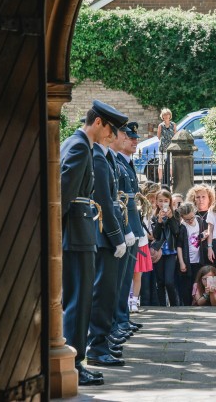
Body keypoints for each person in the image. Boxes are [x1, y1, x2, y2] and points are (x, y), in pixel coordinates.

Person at [60, 100, 120, 385]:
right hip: (77, 235)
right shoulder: (80, 146)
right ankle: (72, 364)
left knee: (78, 300)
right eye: (110, 129)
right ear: (98, 123)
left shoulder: (76, 144)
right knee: (78, 302)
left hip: (78, 232)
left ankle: (73, 362)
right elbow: (62, 193)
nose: (112, 135)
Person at [86, 106, 130, 369]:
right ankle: (97, 346)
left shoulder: (104, 157)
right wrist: (117, 237)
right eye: (112, 130)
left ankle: (101, 342)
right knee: (102, 293)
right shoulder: (98, 158)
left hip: (106, 233)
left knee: (108, 292)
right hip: (103, 235)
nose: (115, 136)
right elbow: (103, 200)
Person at [109, 121, 145, 342]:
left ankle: (121, 318)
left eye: (134, 138)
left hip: (131, 224)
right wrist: (128, 229)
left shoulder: (126, 163)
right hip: (124, 225)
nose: (134, 141)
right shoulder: (117, 163)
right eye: (129, 137)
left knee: (124, 279)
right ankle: (118, 320)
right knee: (120, 279)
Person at [151, 189, 181, 306]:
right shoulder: (154, 215)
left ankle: (174, 305)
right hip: (159, 252)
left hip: (171, 252)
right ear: (157, 202)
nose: (163, 203)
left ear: (170, 201)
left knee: (169, 281)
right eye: (160, 200)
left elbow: (176, 231)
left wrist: (171, 218)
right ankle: (162, 306)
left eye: (166, 200)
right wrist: (158, 221)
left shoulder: (175, 214)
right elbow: (156, 235)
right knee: (160, 281)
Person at [175, 202, 205, 305]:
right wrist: (182, 262)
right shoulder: (183, 226)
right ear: (182, 217)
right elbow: (179, 246)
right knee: (187, 285)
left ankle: (197, 302)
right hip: (188, 261)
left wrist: (204, 235)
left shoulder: (200, 221)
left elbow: (205, 233)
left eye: (192, 217)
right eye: (187, 219)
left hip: (199, 259)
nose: (190, 220)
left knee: (197, 283)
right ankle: (187, 305)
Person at [139, 181, 162, 307]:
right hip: (144, 245)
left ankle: (155, 303)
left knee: (155, 279)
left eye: (155, 196)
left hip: (156, 245)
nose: (153, 199)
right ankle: (145, 303)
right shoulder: (143, 210)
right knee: (145, 279)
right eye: (151, 196)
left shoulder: (158, 210)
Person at [185, 183, 214, 264]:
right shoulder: (190, 216)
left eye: (203, 197)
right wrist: (201, 236)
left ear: (209, 198)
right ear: (193, 199)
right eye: (198, 197)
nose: (201, 200)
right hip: (195, 256)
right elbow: (189, 240)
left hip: (212, 251)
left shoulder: (214, 213)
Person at [156, 108, 175, 185]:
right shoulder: (160, 125)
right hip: (162, 147)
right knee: (161, 164)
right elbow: (158, 136)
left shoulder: (173, 125)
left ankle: (172, 179)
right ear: (162, 116)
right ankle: (160, 180)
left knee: (171, 164)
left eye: (167, 114)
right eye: (164, 115)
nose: (166, 116)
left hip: (171, 147)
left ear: (170, 115)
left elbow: (175, 135)